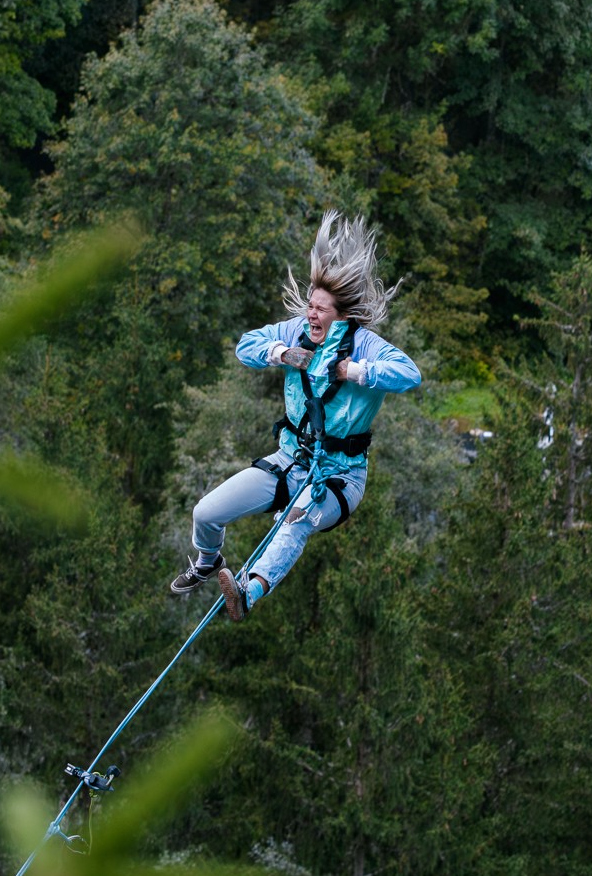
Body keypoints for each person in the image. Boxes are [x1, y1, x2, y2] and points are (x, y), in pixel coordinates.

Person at [169, 212, 421, 622]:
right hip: (289, 461)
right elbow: (245, 346)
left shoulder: (365, 346)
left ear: (341, 314)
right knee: (206, 513)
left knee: (298, 519)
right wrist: (280, 354)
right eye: (310, 305)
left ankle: (247, 594)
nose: (312, 315)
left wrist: (356, 371)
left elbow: (410, 374)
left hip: (340, 477)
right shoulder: (295, 333)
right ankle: (208, 561)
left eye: (321, 309)